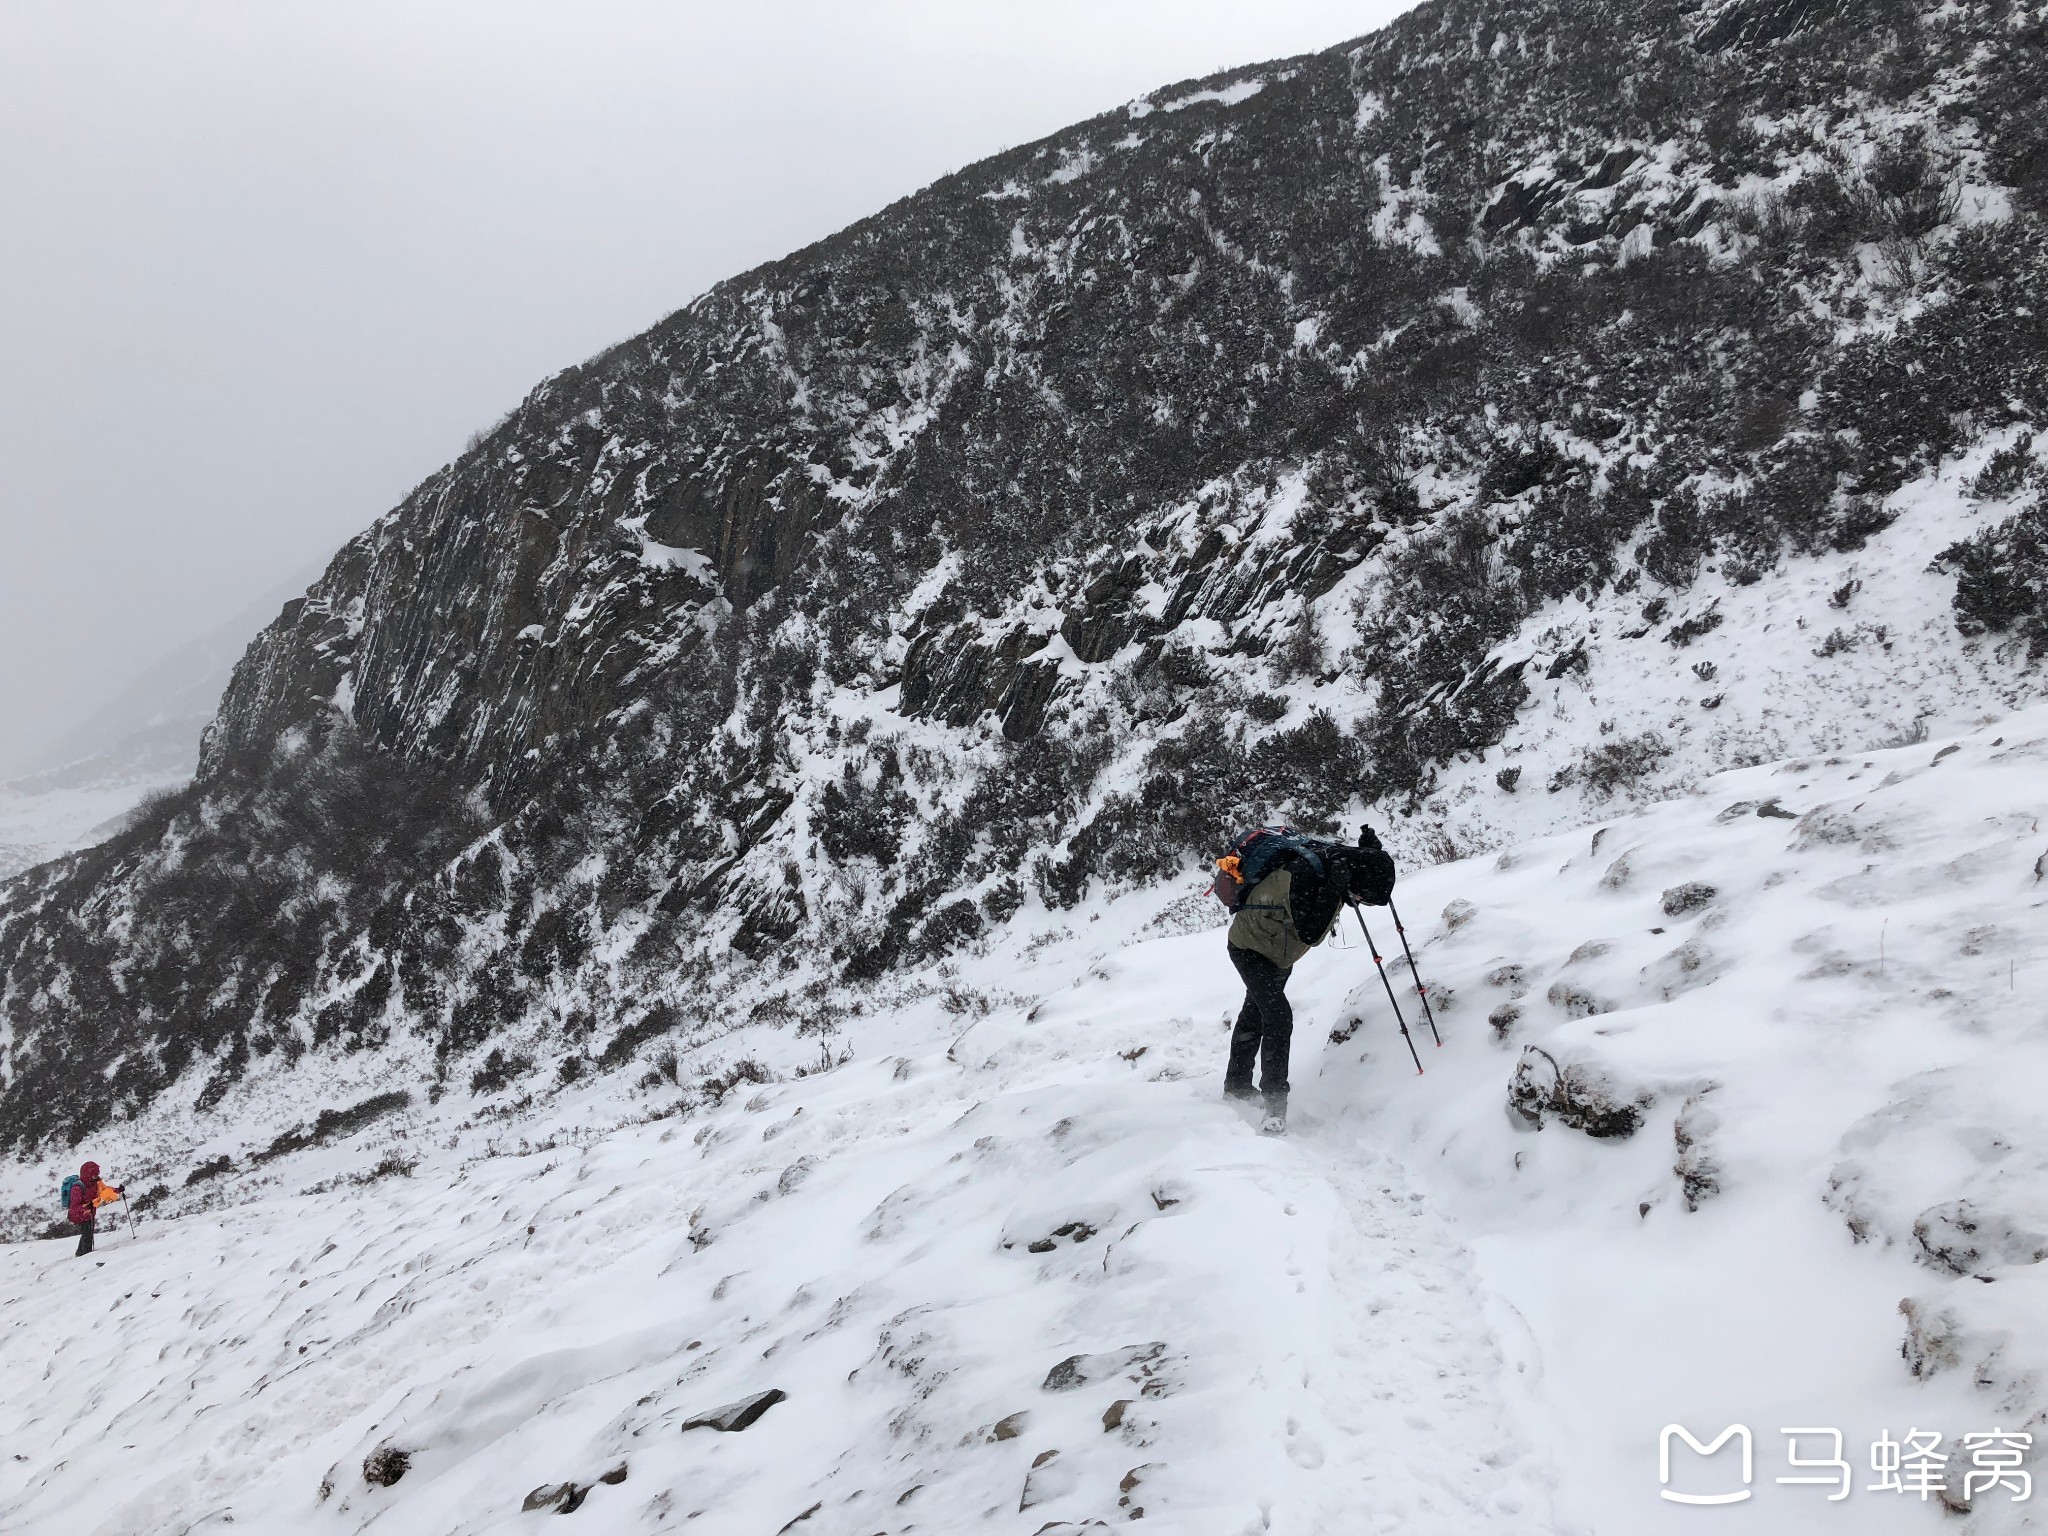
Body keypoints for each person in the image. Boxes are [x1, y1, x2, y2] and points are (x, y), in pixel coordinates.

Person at [1223, 825, 1396, 1135]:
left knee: (1257, 1012)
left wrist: (1372, 852)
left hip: (1277, 949)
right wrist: (1334, 888)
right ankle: (1275, 1105)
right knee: (1277, 1016)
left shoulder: (1340, 864)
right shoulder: (1305, 874)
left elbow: (1357, 873)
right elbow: (1311, 932)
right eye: (1360, 896)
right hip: (1250, 947)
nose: (1357, 900)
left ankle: (1236, 1085)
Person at [65, 1161, 122, 1257]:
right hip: (79, 1215)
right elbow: (74, 1207)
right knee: (87, 1234)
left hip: (89, 1213)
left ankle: (81, 1254)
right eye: (94, 1175)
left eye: (96, 1175)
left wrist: (117, 1190)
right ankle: (85, 1255)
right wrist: (87, 1208)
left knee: (88, 1233)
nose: (96, 1177)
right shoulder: (77, 1187)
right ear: (88, 1174)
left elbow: (105, 1190)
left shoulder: (96, 1183)